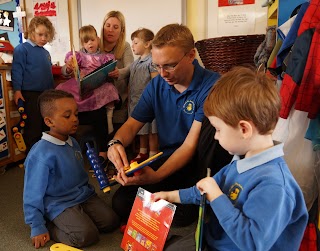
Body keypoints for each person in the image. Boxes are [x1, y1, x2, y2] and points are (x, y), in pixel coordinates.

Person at [154, 66, 308, 251]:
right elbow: (203, 190)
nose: (216, 137)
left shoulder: (275, 185)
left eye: (218, 129)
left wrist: (217, 196)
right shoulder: (241, 161)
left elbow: (251, 243)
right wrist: (170, 196)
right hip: (214, 238)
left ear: (244, 129)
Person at [107, 24, 220, 228]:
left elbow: (189, 147)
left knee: (182, 215)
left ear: (191, 55)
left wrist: (156, 176)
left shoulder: (211, 86)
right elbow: (132, 124)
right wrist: (115, 143)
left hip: (200, 164)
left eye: (169, 65)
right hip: (168, 159)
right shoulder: (157, 84)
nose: (163, 73)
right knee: (120, 203)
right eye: (157, 66)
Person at [23, 89, 119, 249]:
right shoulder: (40, 154)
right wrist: (36, 225)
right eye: (67, 116)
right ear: (49, 122)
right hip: (58, 203)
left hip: (82, 196)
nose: (75, 119)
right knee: (86, 236)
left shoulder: (73, 142)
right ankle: (51, 225)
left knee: (111, 221)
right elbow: (31, 193)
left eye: (76, 114)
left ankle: (77, 218)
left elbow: (78, 176)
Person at [57, 25, 119, 162]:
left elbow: (110, 69)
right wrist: (69, 67)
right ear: (82, 44)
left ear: (97, 39)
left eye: (92, 40)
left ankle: (103, 151)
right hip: (81, 87)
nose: (89, 44)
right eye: (86, 41)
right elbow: (67, 67)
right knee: (63, 90)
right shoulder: (79, 56)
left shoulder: (104, 57)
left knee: (108, 89)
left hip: (97, 88)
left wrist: (112, 73)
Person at [11, 16, 55, 151]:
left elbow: (48, 73)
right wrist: (17, 90)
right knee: (33, 126)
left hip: (46, 95)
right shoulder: (22, 49)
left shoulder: (46, 52)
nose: (43, 38)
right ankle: (32, 157)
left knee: (46, 125)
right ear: (31, 32)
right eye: (40, 34)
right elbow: (17, 70)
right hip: (31, 94)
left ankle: (46, 154)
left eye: (46, 35)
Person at [100, 10, 134, 132]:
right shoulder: (93, 43)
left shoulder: (125, 46)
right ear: (103, 26)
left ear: (121, 31)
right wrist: (68, 68)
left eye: (115, 27)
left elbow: (131, 67)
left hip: (118, 98)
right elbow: (78, 61)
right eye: (107, 25)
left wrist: (119, 73)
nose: (110, 30)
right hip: (96, 97)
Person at [129, 28, 159, 163]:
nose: (132, 46)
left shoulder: (152, 61)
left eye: (135, 43)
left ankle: (153, 154)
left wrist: (154, 99)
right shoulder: (135, 64)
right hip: (136, 101)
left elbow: (156, 82)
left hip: (150, 102)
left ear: (147, 44)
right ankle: (142, 152)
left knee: (152, 129)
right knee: (141, 129)